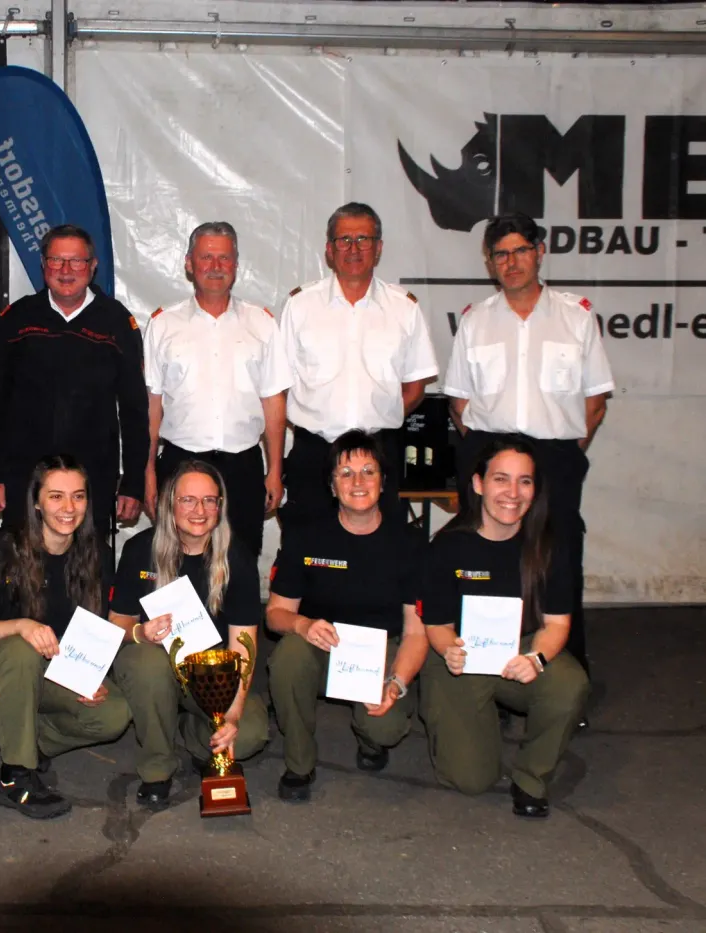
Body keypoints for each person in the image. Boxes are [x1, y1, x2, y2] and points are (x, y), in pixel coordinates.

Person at [445, 212, 614, 679]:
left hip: (554, 456)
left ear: (540, 252)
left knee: (559, 560)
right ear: (490, 263)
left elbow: (594, 403)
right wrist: (490, 459)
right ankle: (481, 669)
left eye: (521, 250)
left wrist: (560, 454)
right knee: (484, 564)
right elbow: (459, 404)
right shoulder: (476, 321)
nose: (512, 262)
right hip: (488, 450)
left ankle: (566, 672)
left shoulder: (575, 318)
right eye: (501, 254)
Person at [420, 436, 589, 818]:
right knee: (470, 780)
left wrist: (537, 659)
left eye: (525, 481)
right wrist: (449, 650)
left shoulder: (549, 546)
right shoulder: (448, 547)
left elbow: (558, 623)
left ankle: (531, 777)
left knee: (570, 683)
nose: (513, 493)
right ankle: (470, 726)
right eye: (500, 479)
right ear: (478, 484)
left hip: (522, 645)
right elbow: (436, 624)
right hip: (459, 652)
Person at [266, 430, 427, 802]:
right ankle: (299, 762)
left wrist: (397, 684)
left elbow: (417, 633)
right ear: (332, 485)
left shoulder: (410, 544)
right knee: (289, 656)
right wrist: (303, 624)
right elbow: (275, 613)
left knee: (384, 727)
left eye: (368, 471)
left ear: (383, 482)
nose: (358, 482)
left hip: (382, 649)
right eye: (346, 473)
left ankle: (372, 740)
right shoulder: (305, 538)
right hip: (323, 643)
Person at [109, 460, 269, 811]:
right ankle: (157, 767)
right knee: (142, 661)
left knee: (252, 734)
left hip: (212, 679)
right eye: (188, 500)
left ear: (220, 507)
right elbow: (117, 624)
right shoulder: (140, 549)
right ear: (169, 504)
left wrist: (233, 716)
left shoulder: (236, 558)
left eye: (210, 500)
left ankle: (193, 733)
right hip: (157, 666)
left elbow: (244, 643)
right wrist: (140, 631)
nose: (200, 510)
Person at [277, 202, 440, 530]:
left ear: (378, 248)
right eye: (344, 240)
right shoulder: (300, 306)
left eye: (363, 239)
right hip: (314, 452)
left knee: (380, 554)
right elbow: (280, 384)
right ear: (329, 249)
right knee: (307, 550)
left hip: (379, 452)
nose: (354, 249)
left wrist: (377, 419)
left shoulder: (403, 308)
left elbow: (415, 386)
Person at [0, 455, 132, 819]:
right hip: (0, 670)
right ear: (36, 501)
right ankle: (16, 776)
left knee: (114, 714)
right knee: (22, 650)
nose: (69, 508)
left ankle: (29, 738)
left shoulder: (96, 552)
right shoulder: (5, 547)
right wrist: (21, 625)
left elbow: (95, 628)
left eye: (78, 496)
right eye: (56, 497)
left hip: (57, 671)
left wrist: (89, 676)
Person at [0, 224, 148, 539]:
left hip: (92, 481)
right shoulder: (17, 319)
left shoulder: (117, 322)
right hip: (25, 478)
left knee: (87, 573)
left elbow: (134, 411)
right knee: (21, 572)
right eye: (57, 261)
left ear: (93, 266)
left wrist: (133, 485)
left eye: (77, 261)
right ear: (44, 265)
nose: (66, 270)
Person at [143, 222, 292, 558]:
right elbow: (152, 407)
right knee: (173, 560)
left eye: (224, 258)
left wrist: (275, 472)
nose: (215, 267)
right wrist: (148, 471)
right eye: (206, 257)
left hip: (243, 467)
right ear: (189, 263)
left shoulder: (262, 324)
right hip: (180, 463)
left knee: (240, 558)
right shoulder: (164, 324)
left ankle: (238, 615)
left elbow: (273, 404)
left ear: (236, 265)